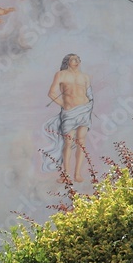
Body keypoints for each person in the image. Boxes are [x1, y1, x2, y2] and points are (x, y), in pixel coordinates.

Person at [43, 54, 93, 183]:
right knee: (69, 143)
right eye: (73, 60)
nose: (76, 62)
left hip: (84, 110)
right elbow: (51, 92)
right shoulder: (61, 74)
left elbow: (90, 94)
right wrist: (63, 104)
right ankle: (66, 174)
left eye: (78, 59)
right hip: (69, 112)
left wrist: (90, 105)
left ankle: (77, 174)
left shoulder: (85, 77)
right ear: (68, 62)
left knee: (81, 142)